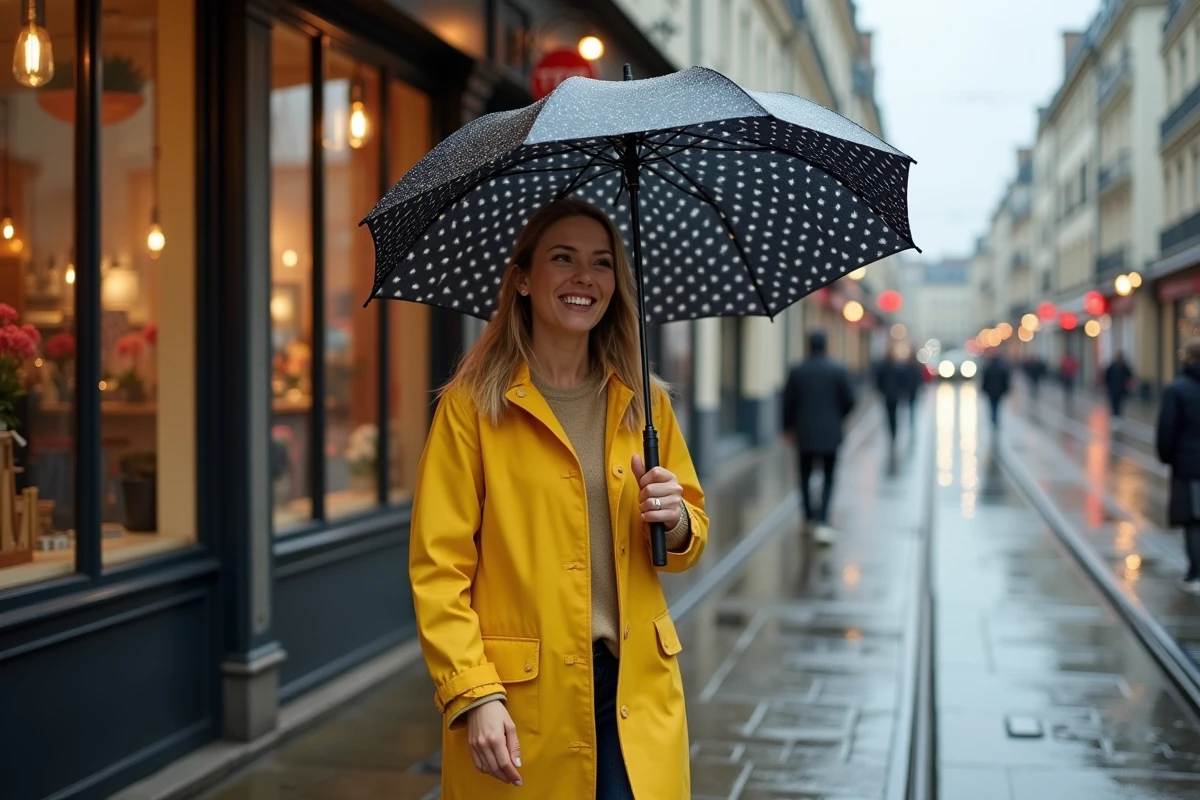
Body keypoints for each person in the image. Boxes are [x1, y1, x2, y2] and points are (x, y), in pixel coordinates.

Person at [409, 198, 708, 799]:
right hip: (525, 700)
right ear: (522, 279)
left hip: (636, 691)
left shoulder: (645, 402)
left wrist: (674, 518)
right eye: (563, 258)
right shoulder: (472, 406)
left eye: (602, 263)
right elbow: (439, 569)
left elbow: (689, 535)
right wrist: (474, 691)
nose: (584, 277)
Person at [782, 330, 856, 545]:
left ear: (808, 345)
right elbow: (850, 401)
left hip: (804, 434)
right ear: (826, 345)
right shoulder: (838, 370)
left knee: (804, 476)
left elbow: (788, 403)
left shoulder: (798, 371)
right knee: (829, 478)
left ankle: (807, 518)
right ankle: (822, 520)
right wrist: (838, 418)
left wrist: (787, 428)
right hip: (831, 435)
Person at [1156, 338, 1200, 594]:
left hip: (1188, 464)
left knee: (1193, 520)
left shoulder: (1177, 389)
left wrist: (1167, 457)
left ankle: (1196, 572)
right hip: (1188, 462)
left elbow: (1166, 429)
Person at [875, 345, 907, 444]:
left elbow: (878, 380)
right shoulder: (894, 367)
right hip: (892, 395)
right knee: (893, 415)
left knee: (890, 415)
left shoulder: (884, 367)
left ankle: (892, 432)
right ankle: (893, 432)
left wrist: (881, 390)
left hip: (888, 395)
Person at [981, 349, 1011, 427]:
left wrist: (984, 389)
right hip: (998, 391)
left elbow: (985, 380)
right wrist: (1006, 390)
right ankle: (995, 417)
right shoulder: (1002, 368)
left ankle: (993, 417)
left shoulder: (988, 368)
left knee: (992, 405)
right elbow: (1005, 380)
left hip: (991, 391)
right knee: (996, 405)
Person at [1105, 352, 1134, 429]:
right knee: (1113, 403)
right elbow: (1107, 376)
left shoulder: (1124, 367)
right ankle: (1114, 416)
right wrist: (1108, 385)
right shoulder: (1112, 367)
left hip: (1121, 389)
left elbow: (1129, 375)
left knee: (1120, 403)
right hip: (1113, 389)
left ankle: (1119, 416)